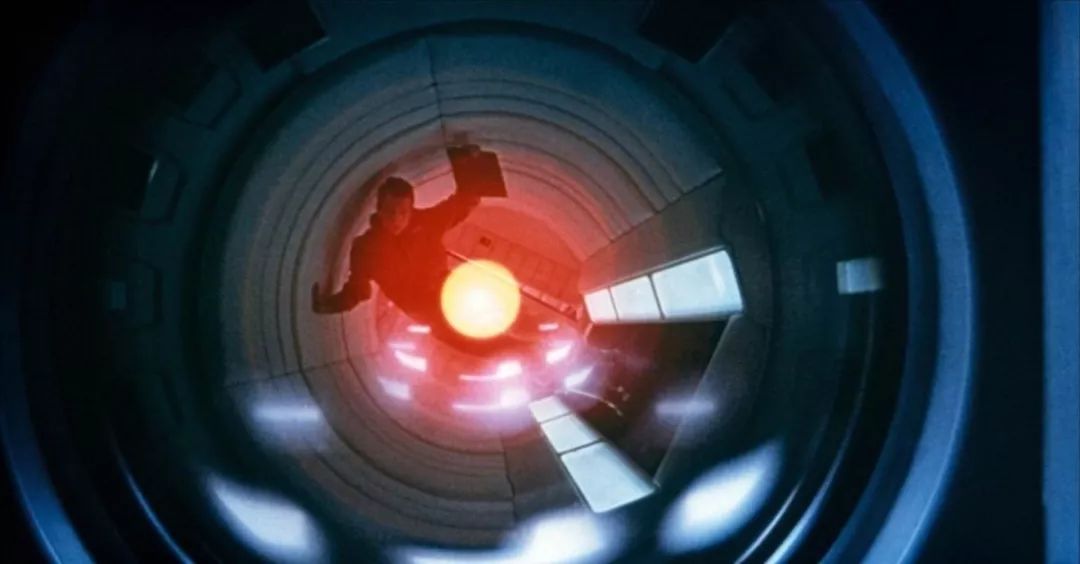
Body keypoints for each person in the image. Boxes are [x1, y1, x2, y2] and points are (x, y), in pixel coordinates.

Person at [311, 176, 535, 355]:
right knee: (478, 343)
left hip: (450, 289)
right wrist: (328, 305)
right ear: (378, 210)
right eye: (390, 212)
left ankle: (530, 333)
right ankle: (519, 351)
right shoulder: (367, 248)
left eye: (403, 213)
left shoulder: (424, 223)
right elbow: (357, 290)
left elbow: (457, 206)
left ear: (411, 210)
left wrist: (472, 170)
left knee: (495, 308)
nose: (397, 219)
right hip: (427, 310)